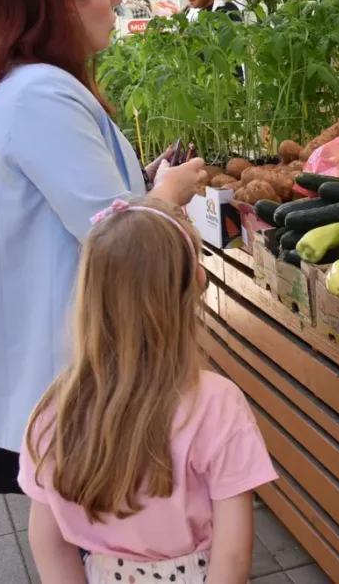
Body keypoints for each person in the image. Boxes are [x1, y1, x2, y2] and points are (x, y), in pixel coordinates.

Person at [0, 0, 209, 496]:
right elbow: (115, 233)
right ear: (63, 2)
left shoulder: (28, 87)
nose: (117, 1)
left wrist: (146, 181)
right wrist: (168, 195)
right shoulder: (40, 95)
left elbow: (84, 201)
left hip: (63, 369)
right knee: (97, 542)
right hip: (68, 369)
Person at [21, 198, 276, 583]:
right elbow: (234, 554)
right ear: (194, 288)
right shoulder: (217, 403)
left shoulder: (57, 409)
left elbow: (46, 538)